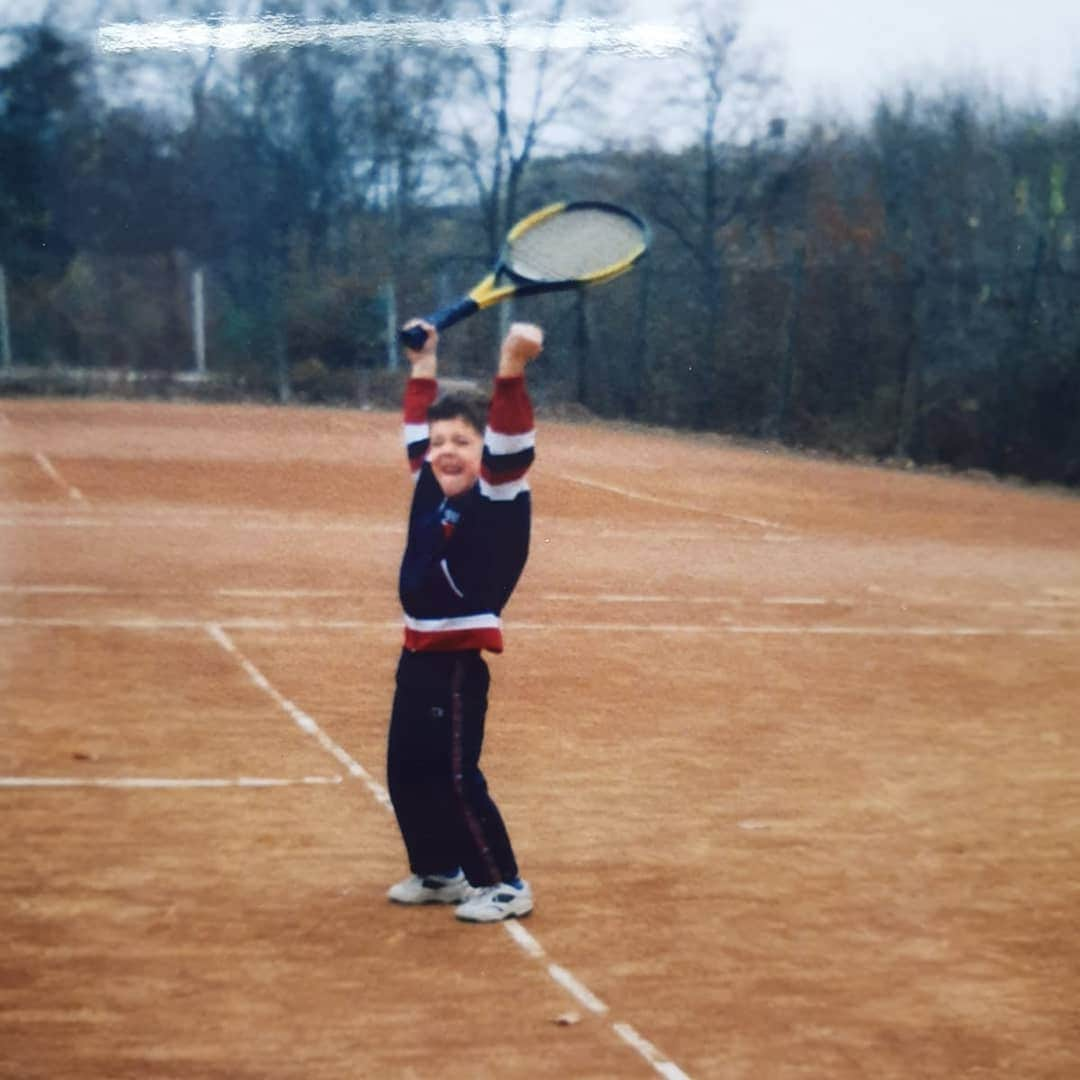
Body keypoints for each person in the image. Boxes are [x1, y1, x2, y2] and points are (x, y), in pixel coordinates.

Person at [385, 316, 543, 923]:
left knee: (453, 775)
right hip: (417, 653)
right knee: (405, 769)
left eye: (464, 441)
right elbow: (416, 435)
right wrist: (424, 363)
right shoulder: (435, 488)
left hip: (455, 664)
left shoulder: (499, 498)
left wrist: (511, 367)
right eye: (441, 441)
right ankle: (438, 871)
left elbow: (509, 445)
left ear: (487, 452)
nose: (447, 450)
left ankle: (503, 883)